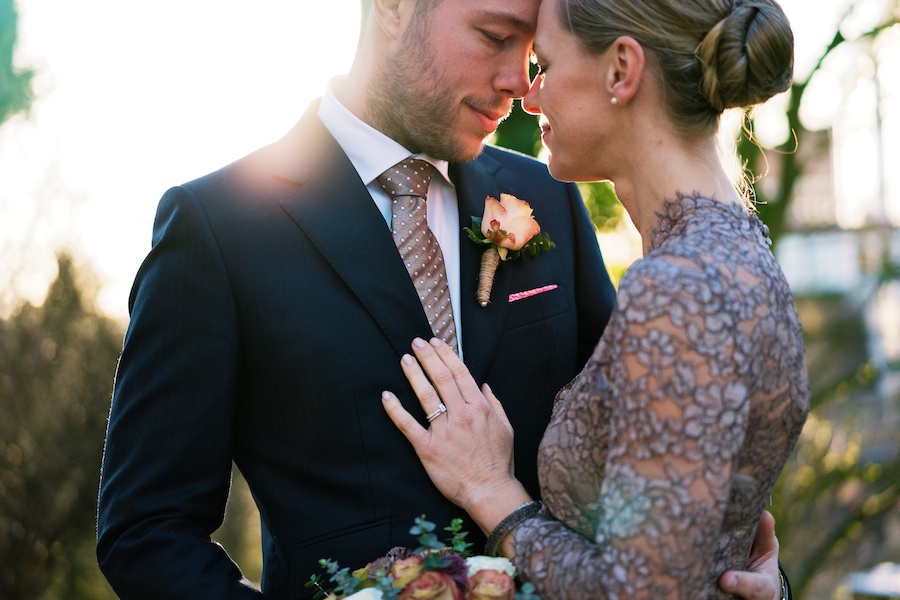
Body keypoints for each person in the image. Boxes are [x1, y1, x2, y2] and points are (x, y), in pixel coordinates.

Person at [96, 0, 787, 598]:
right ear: (393, 10)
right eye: (494, 36)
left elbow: (644, 451)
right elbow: (145, 529)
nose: (520, 81)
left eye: (532, 48)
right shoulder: (218, 226)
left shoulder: (548, 195)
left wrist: (726, 569)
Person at [381, 0, 809, 598]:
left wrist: (494, 494)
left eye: (547, 64)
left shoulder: (680, 288)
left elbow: (642, 590)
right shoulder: (738, 252)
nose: (530, 97)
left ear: (621, 71)